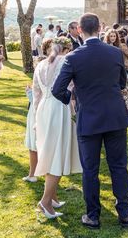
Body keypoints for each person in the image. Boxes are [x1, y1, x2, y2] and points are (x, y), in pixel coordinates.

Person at [51, 13, 128, 230]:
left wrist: (74, 99)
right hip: (115, 115)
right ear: (98, 27)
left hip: (89, 118)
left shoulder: (74, 57)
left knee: (90, 169)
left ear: (79, 28)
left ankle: (93, 215)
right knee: (118, 165)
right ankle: (124, 213)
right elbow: (122, 83)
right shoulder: (115, 52)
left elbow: (57, 90)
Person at [33, 37, 81, 219]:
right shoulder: (64, 62)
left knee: (48, 153)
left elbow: (36, 94)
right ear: (64, 50)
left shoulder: (40, 65)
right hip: (59, 108)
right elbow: (72, 87)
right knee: (57, 154)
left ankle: (52, 196)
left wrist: (37, 118)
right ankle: (45, 202)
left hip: (43, 111)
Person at [106, 30, 128, 113]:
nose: (113, 38)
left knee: (126, 90)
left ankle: (127, 110)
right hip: (110, 72)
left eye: (114, 36)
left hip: (123, 70)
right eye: (111, 36)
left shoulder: (120, 46)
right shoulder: (105, 47)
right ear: (108, 37)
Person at [23, 82, 38, 183]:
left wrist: (29, 93)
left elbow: (37, 100)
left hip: (36, 114)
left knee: (34, 146)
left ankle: (32, 174)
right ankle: (32, 173)